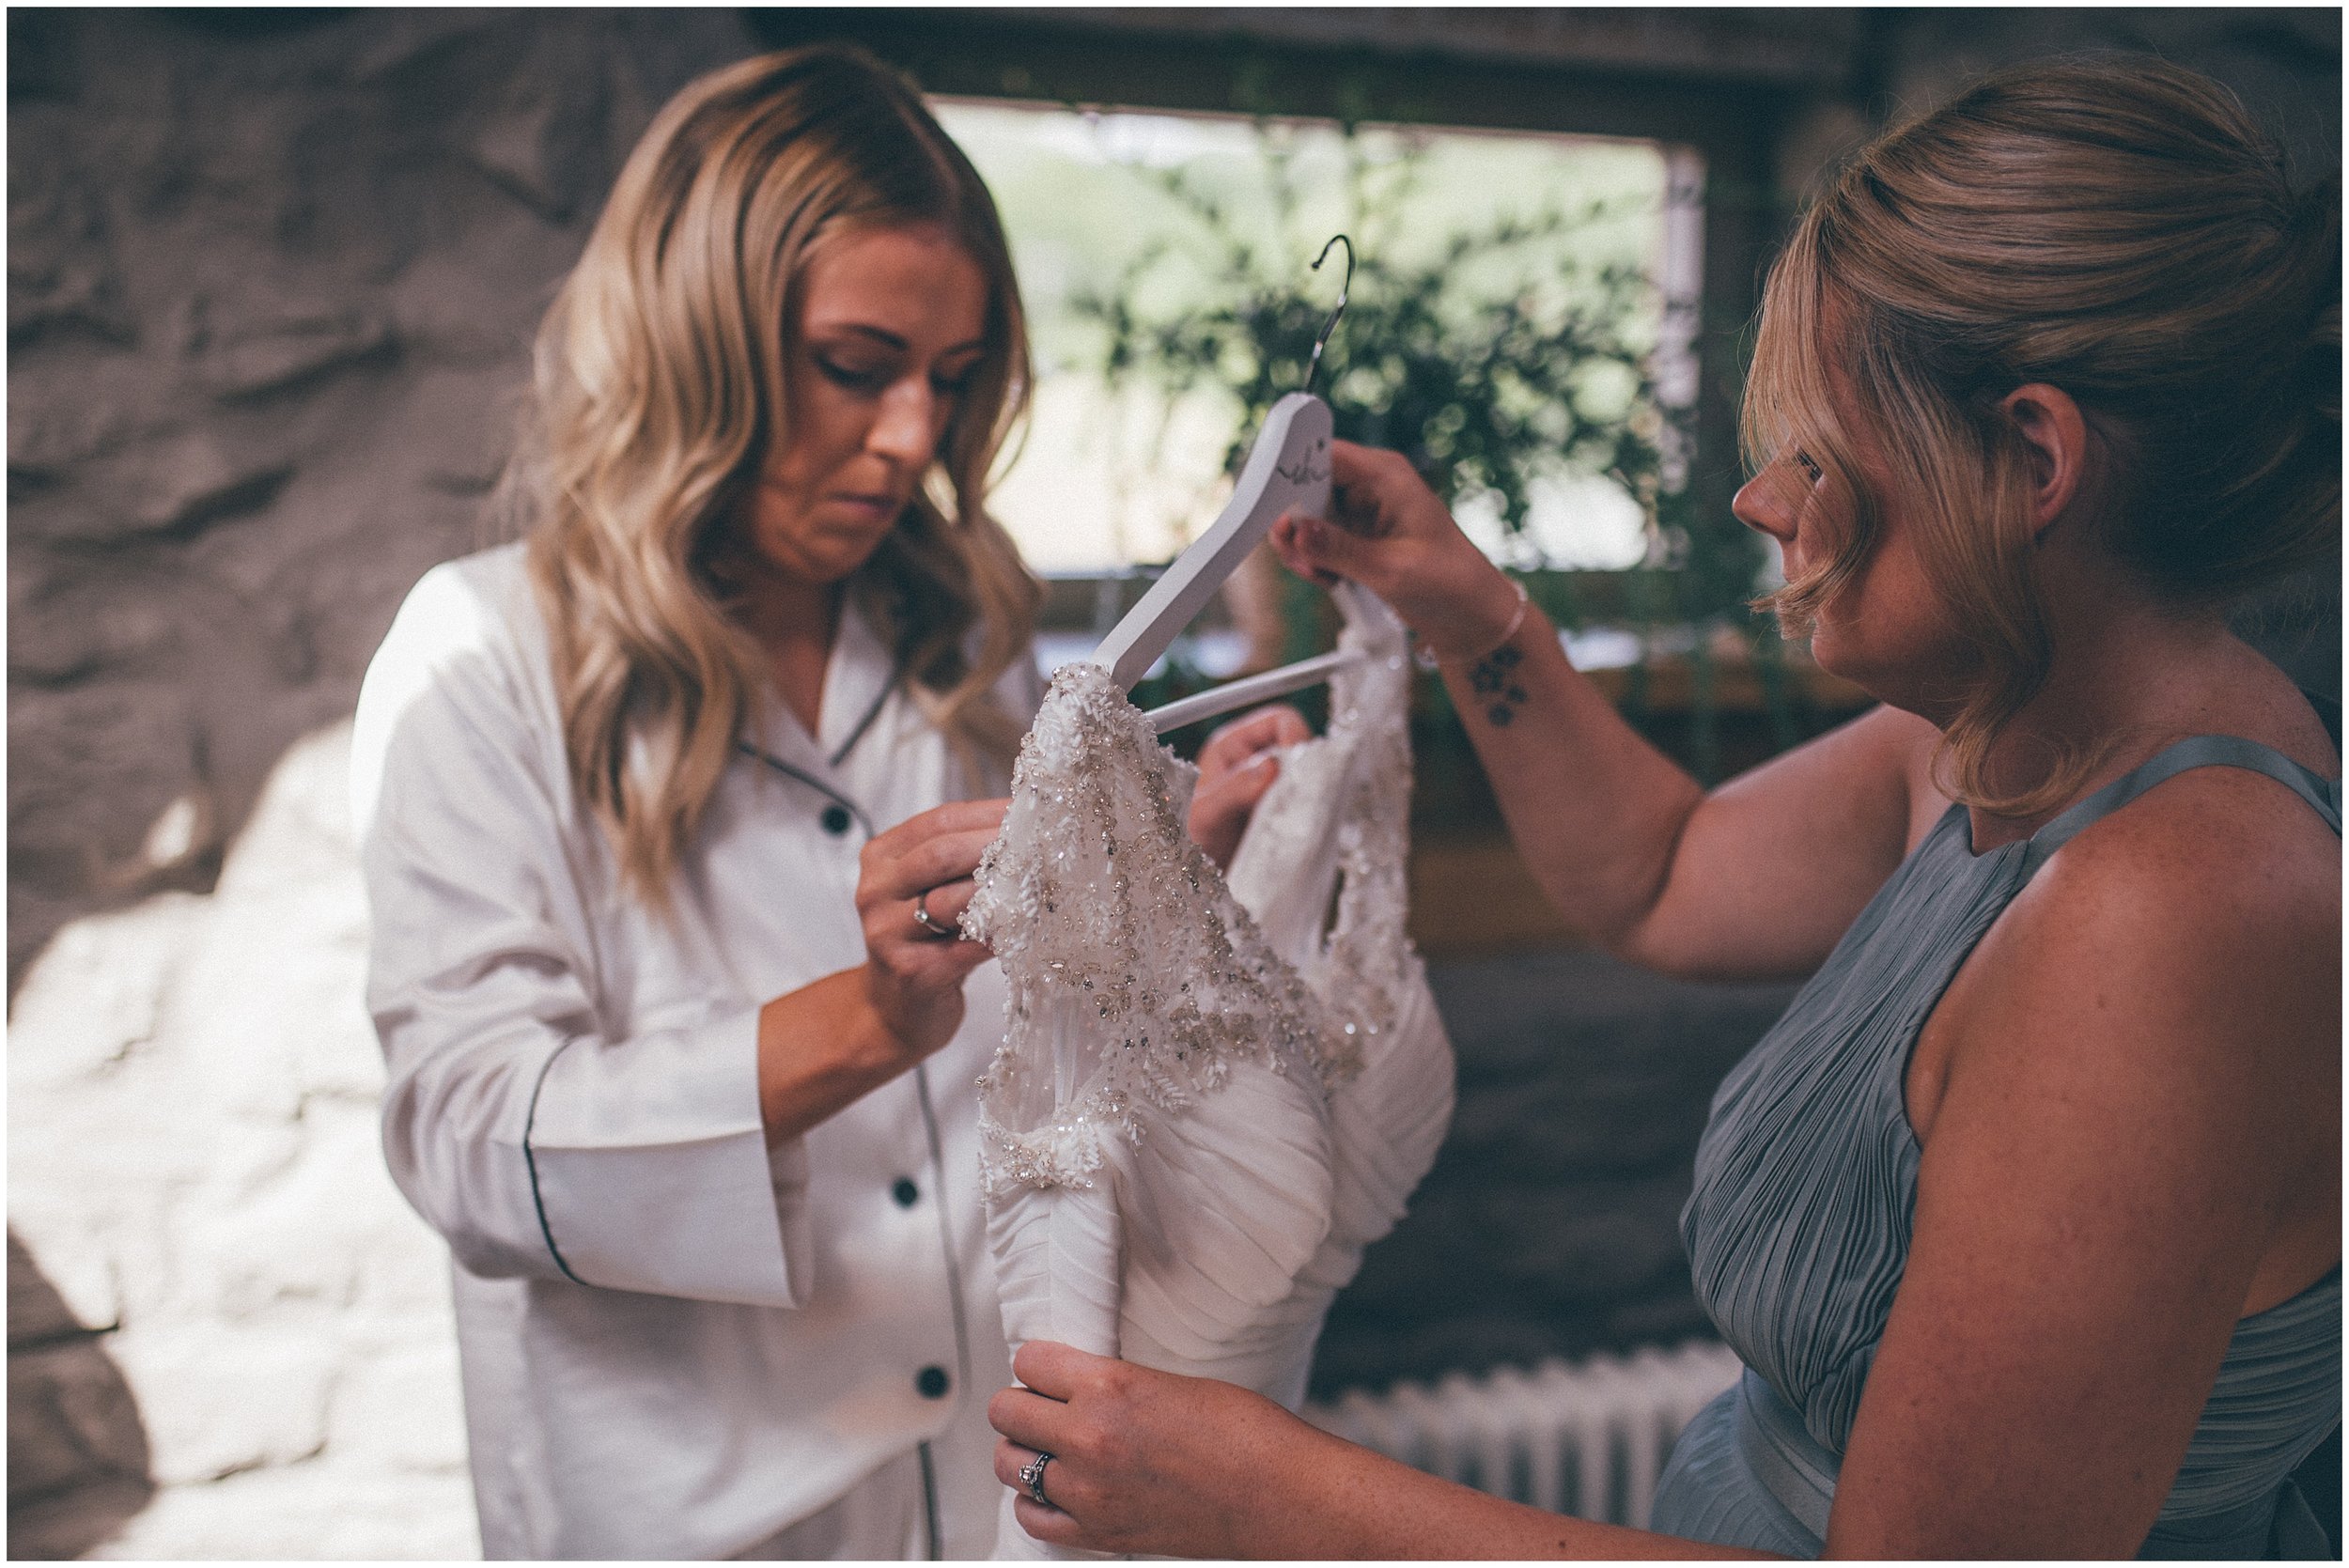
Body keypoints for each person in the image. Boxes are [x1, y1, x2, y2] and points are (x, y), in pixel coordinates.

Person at [986, 56, 2341, 1560]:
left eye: (1815, 448)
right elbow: (1664, 871)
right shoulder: (2001, 738)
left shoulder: (2167, 920)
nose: (1762, 501)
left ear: (2031, 458)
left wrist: (1282, 1496)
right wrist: (1476, 615)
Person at [350, 45, 1299, 1560]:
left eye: (953, 377)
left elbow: (1038, 1079)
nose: (914, 437)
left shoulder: (968, 662)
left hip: (1001, 1502)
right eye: (859, 366)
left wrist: (1175, 885)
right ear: (701, 339)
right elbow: (468, 1143)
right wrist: (867, 1021)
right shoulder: (483, 662)